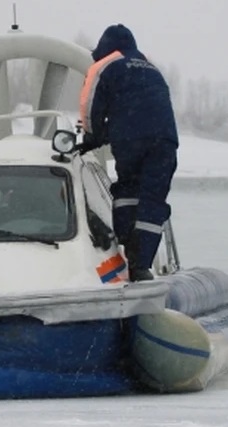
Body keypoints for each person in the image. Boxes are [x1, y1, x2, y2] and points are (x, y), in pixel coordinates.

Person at [78, 24, 178, 282]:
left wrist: (92, 137)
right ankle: (141, 264)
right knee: (153, 200)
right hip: (165, 141)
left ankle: (125, 246)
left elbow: (90, 105)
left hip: (131, 139)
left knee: (128, 192)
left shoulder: (105, 66)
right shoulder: (151, 68)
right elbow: (152, 106)